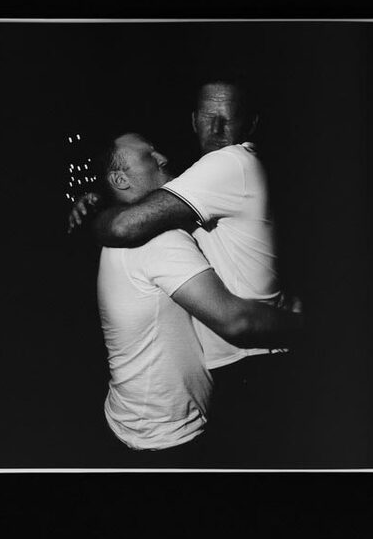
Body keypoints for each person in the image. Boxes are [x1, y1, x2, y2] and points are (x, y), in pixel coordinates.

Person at [93, 132, 301, 461]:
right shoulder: (156, 240)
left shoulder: (135, 231)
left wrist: (92, 204)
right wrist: (305, 325)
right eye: (148, 156)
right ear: (120, 180)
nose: (162, 157)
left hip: (131, 419)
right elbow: (236, 322)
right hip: (164, 438)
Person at [71, 79, 283, 370]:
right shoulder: (201, 179)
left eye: (229, 117)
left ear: (250, 124)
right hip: (243, 360)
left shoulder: (232, 161)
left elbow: (122, 225)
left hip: (254, 358)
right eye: (208, 117)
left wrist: (305, 323)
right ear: (194, 121)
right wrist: (100, 200)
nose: (217, 129)